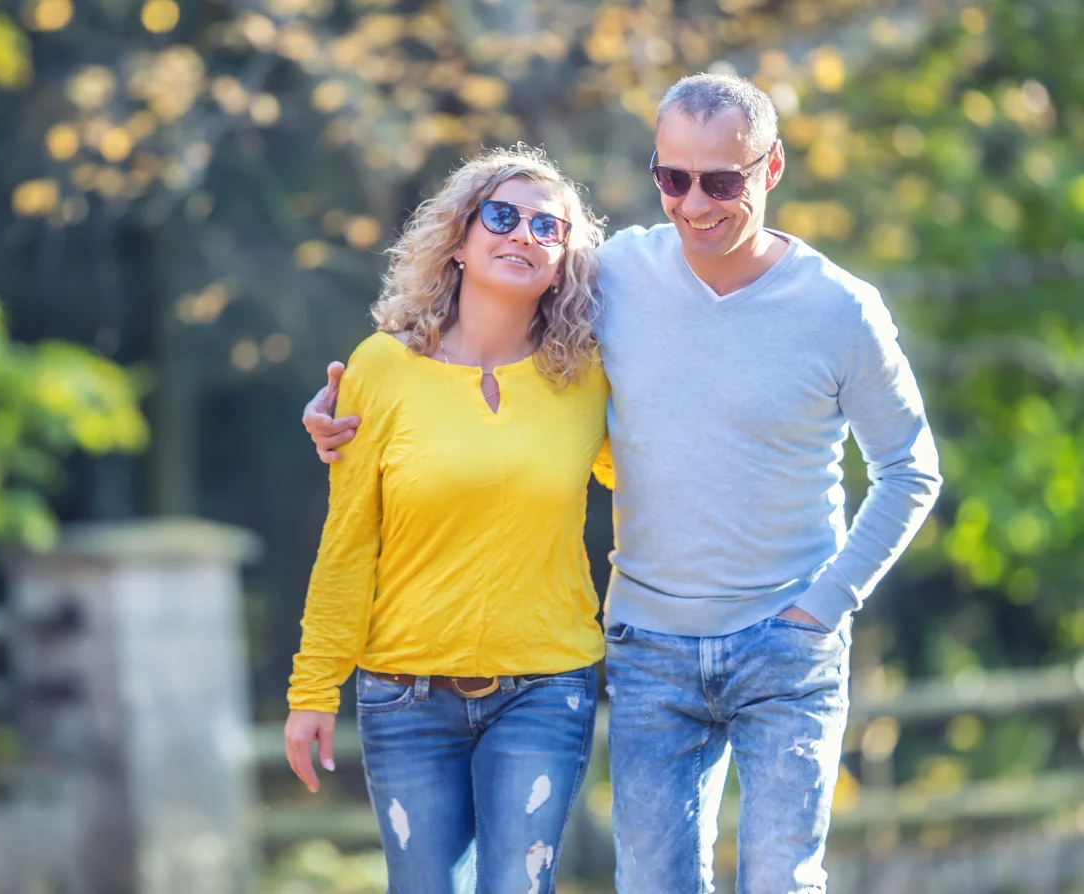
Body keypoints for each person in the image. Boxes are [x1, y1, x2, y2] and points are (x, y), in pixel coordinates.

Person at [303, 74, 942, 893]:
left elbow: (910, 467)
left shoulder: (842, 309)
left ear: (772, 168)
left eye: (722, 181)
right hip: (649, 644)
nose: (694, 203)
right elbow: (479, 335)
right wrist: (344, 413)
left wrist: (825, 604)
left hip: (788, 641)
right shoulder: (614, 276)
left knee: (783, 881)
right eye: (671, 178)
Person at [284, 144, 612, 894]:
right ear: (460, 241)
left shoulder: (590, 379)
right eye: (502, 216)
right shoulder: (379, 368)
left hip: (545, 683)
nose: (523, 234)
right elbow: (347, 545)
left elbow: (651, 481)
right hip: (402, 692)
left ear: (564, 263)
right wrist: (312, 690)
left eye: (547, 227)